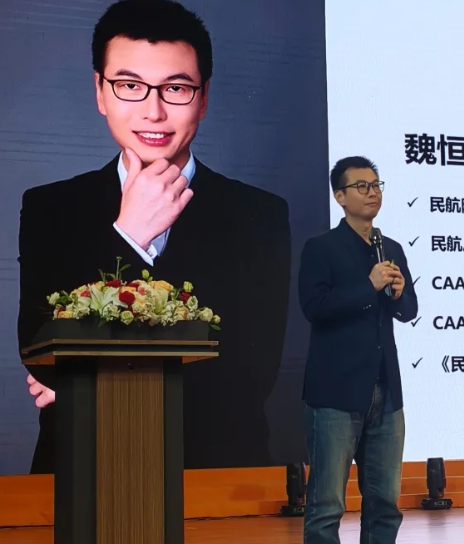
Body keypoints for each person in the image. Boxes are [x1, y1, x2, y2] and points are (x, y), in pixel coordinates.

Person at [18, 0, 291, 473]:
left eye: (176, 88)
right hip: (80, 474)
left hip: (215, 476)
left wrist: (82, 384)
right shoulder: (50, 207)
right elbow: (39, 349)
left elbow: (248, 378)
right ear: (100, 92)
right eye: (129, 86)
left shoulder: (259, 215)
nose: (153, 111)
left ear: (203, 98)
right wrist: (129, 236)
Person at [298, 156, 418, 544]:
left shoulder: (391, 248)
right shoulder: (321, 248)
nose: (372, 193)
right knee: (326, 505)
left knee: (385, 504)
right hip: (336, 392)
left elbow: (409, 310)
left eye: (376, 185)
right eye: (362, 186)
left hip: (385, 393)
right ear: (340, 196)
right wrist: (369, 286)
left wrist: (398, 294)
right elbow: (314, 308)